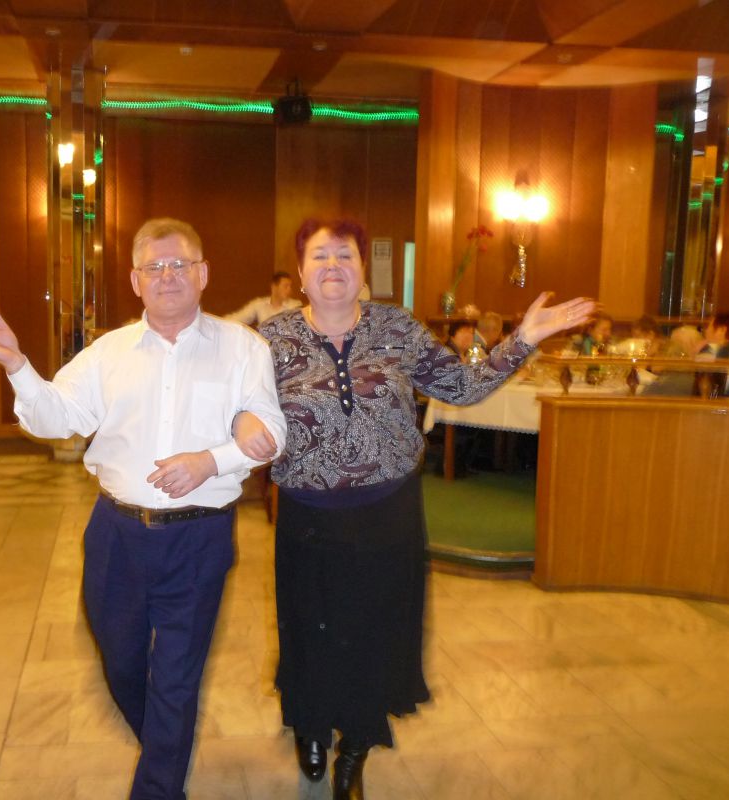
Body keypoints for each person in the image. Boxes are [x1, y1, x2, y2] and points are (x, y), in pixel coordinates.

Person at [237, 217, 595, 799]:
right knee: (310, 626)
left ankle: (356, 746)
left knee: (375, 630)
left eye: (345, 255)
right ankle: (310, 723)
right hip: (308, 514)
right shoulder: (270, 340)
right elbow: (240, 407)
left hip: (388, 513)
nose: (333, 266)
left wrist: (524, 338)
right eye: (320, 256)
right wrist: (241, 424)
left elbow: (461, 387)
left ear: (363, 270)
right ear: (300, 273)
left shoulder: (397, 328)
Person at [0, 218, 286, 800]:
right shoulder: (108, 353)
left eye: (180, 265)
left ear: (203, 274)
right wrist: (17, 367)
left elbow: (271, 431)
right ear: (135, 280)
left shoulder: (243, 349)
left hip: (199, 538)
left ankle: (159, 784)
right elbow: (57, 419)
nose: (168, 276)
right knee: (122, 663)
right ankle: (165, 751)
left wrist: (210, 461)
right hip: (116, 536)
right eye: (154, 267)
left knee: (175, 679)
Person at [225, 270, 301, 326]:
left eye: (290, 286)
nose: (289, 289)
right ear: (274, 287)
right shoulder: (259, 304)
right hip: (263, 342)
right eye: (286, 286)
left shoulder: (295, 306)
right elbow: (238, 318)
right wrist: (220, 321)